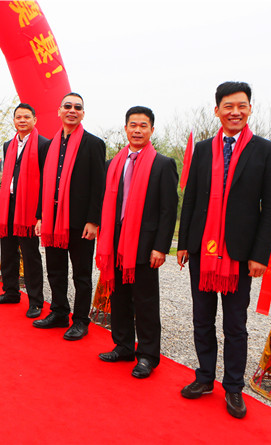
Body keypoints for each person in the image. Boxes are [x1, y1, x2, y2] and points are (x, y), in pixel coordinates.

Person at [176, 82, 271, 419]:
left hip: (239, 253)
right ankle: (204, 377)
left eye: (241, 105)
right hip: (202, 250)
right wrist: (183, 242)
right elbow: (191, 198)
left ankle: (233, 387)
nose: (235, 112)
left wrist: (260, 254)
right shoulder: (203, 149)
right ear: (217, 110)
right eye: (228, 106)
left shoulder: (267, 151)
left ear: (250, 109)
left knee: (235, 324)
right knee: (202, 318)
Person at [96, 106, 178, 378]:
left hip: (144, 244)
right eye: (133, 125)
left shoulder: (162, 164)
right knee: (119, 297)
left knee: (145, 301)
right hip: (116, 241)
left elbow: (168, 210)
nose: (138, 130)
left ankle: (147, 355)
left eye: (143, 126)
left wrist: (161, 247)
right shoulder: (113, 164)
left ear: (152, 130)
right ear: (126, 128)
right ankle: (123, 346)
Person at [33, 92, 105, 341]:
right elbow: (44, 184)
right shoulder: (48, 146)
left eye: (77, 107)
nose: (72, 110)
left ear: (83, 113)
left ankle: (81, 320)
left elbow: (99, 186)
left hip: (80, 222)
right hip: (52, 220)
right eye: (67, 106)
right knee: (55, 270)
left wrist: (93, 220)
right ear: (59, 111)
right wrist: (40, 216)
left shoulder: (93, 144)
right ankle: (59, 312)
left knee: (81, 274)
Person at [0, 103, 49, 318]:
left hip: (29, 206)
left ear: (34, 120)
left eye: (26, 117)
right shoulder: (9, 145)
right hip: (9, 202)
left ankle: (35, 301)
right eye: (18, 117)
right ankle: (10, 291)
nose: (22, 120)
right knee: (7, 249)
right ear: (14, 120)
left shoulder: (44, 144)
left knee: (30, 253)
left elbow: (45, 180)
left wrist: (40, 213)